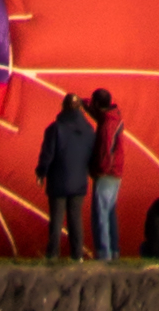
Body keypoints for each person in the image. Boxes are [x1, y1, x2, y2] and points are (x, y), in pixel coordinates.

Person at [41, 92, 99, 259]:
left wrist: (41, 171)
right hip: (79, 180)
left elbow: (48, 154)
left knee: (57, 220)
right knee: (75, 219)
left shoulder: (55, 128)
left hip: (58, 180)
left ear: (64, 107)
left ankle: (52, 254)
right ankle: (77, 254)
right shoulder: (89, 130)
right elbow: (92, 155)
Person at [90, 92, 127, 265]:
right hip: (116, 173)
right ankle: (114, 250)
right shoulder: (114, 116)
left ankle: (104, 253)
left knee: (101, 214)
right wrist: (84, 103)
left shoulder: (107, 125)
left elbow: (105, 151)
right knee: (110, 212)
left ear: (98, 104)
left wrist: (99, 171)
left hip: (108, 174)